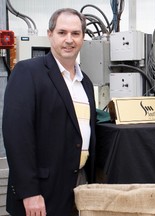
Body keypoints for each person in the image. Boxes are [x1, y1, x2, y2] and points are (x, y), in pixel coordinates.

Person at [2, 8, 97, 215]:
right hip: (42, 192)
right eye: (62, 33)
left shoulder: (86, 83)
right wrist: (29, 192)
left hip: (80, 184)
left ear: (83, 38)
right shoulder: (28, 72)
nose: (69, 40)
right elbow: (17, 136)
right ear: (50, 34)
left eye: (75, 33)